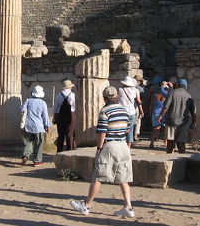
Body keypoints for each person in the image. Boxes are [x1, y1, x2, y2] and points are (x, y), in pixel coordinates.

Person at [70, 86, 135, 218]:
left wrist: (99, 148)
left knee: (98, 176)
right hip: (123, 146)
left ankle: (87, 205)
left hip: (110, 145)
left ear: (104, 98)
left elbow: (102, 132)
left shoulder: (105, 111)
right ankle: (128, 206)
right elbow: (128, 129)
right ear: (117, 96)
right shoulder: (124, 110)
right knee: (124, 178)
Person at [158, 79, 196, 154]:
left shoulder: (172, 93)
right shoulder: (189, 96)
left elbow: (166, 107)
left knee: (170, 141)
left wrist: (161, 116)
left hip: (171, 121)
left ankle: (169, 155)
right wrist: (194, 122)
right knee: (181, 142)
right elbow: (193, 111)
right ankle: (182, 157)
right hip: (184, 122)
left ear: (177, 85)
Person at [20, 85, 51, 166]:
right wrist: (47, 126)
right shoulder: (43, 103)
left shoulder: (28, 100)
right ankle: (37, 160)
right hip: (39, 126)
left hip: (28, 125)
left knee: (28, 143)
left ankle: (25, 155)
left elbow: (22, 109)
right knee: (39, 143)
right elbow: (45, 116)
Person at [117, 76, 144, 148]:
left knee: (121, 129)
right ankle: (128, 147)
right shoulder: (135, 90)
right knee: (130, 130)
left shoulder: (120, 90)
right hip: (131, 112)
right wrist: (141, 111)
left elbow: (116, 99)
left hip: (121, 112)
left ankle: (121, 145)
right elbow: (139, 102)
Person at [53, 80, 76, 153]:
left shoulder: (59, 95)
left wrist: (55, 117)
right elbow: (75, 106)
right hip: (71, 115)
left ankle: (59, 151)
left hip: (61, 116)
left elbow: (56, 108)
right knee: (70, 134)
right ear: (70, 87)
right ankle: (70, 151)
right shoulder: (73, 95)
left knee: (61, 135)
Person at [149, 82, 168, 149]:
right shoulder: (167, 96)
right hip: (163, 113)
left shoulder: (155, 95)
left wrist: (150, 113)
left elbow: (151, 106)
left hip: (155, 113)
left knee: (155, 128)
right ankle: (165, 142)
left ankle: (152, 142)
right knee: (165, 129)